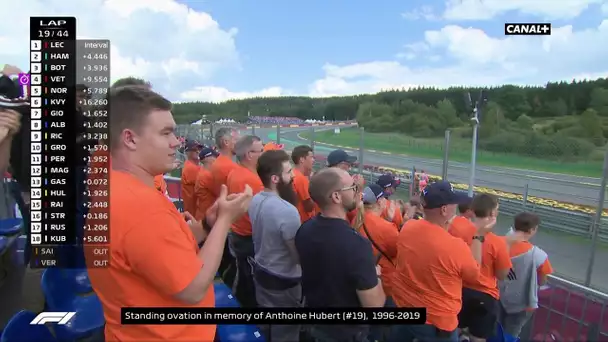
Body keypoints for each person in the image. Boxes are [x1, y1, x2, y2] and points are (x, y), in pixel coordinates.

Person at [86, 85, 253, 341]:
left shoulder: (117, 187)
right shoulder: (140, 207)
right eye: (166, 133)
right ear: (130, 139)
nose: (176, 142)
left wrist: (208, 224)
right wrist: (225, 222)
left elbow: (155, 249)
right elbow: (193, 288)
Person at [389, 181, 494, 342]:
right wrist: (479, 235)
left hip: (405, 306)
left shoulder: (409, 227)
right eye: (454, 204)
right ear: (444, 210)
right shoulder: (455, 246)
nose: (456, 208)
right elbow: (474, 276)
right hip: (436, 321)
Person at [296, 168, 385, 342]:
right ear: (336, 197)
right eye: (352, 187)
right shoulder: (357, 245)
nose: (356, 191)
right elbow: (374, 306)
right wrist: (376, 275)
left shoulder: (304, 230)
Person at [249, 150, 302, 342]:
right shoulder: (287, 211)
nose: (293, 176)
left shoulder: (256, 199)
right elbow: (296, 257)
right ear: (275, 178)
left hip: (261, 270)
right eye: (288, 172)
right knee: (285, 333)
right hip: (283, 281)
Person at [457, 194, 513, 342]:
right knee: (478, 337)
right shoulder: (498, 242)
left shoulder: (458, 232)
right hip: (484, 294)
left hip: (459, 289)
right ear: (493, 213)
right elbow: (502, 274)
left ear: (473, 210)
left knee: (455, 330)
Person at [352, 184, 400, 342]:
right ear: (380, 202)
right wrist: (395, 223)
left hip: (362, 281)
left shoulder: (357, 218)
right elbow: (397, 253)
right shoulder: (386, 228)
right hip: (384, 285)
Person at [499, 212, 553, 338]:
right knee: (512, 333)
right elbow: (543, 280)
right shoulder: (538, 255)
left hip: (497, 296)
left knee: (497, 329)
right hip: (522, 303)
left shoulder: (499, 243)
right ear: (532, 230)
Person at [227, 135, 265, 307]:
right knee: (251, 280)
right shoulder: (253, 180)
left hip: (237, 232)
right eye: (261, 151)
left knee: (243, 274)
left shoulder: (235, 171)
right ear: (250, 154)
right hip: (249, 237)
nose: (263, 154)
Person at [210, 127, 240, 285]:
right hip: (232, 223)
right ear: (226, 142)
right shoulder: (228, 167)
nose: (239, 143)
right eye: (236, 139)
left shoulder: (218, 163)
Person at [291, 145, 316, 223]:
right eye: (311, 157)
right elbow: (309, 207)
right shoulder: (301, 178)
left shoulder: (293, 173)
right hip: (303, 222)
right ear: (302, 159)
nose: (313, 160)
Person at [194, 147, 219, 221]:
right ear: (208, 159)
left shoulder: (203, 172)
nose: (216, 159)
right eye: (214, 157)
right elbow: (219, 192)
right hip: (206, 216)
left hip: (203, 213)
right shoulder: (206, 175)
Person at [181, 141, 202, 215]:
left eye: (199, 149)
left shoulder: (193, 166)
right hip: (194, 212)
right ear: (187, 152)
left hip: (194, 210)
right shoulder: (191, 168)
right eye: (194, 149)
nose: (198, 151)